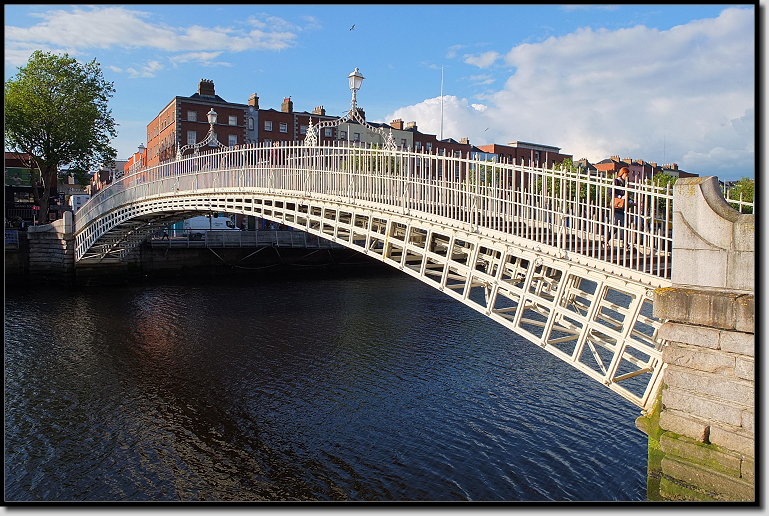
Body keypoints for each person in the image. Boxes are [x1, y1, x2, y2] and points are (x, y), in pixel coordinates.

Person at [607, 167, 630, 249]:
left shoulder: (624, 183)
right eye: (626, 174)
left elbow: (626, 196)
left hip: (622, 206)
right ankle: (625, 244)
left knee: (617, 225)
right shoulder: (616, 181)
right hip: (616, 206)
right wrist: (620, 197)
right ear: (622, 173)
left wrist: (631, 202)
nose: (627, 176)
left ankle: (606, 240)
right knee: (623, 224)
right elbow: (610, 192)